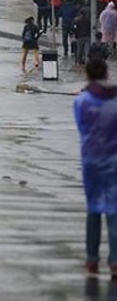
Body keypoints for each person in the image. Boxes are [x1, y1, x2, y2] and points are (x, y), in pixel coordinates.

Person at [73, 58, 117, 277]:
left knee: (94, 207)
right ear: (107, 74)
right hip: (114, 159)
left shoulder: (82, 101)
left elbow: (82, 128)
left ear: (88, 75)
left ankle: (92, 258)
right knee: (114, 208)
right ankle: (115, 260)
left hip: (91, 159)